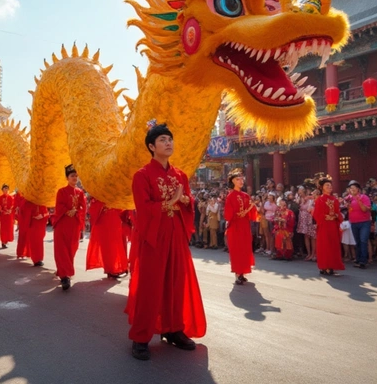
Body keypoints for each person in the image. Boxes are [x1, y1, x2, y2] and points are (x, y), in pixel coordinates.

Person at [127, 123, 206, 361]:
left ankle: (174, 329)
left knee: (176, 283)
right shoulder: (142, 176)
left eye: (170, 139)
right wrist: (169, 202)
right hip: (154, 236)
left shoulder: (180, 174)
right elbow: (143, 208)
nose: (168, 143)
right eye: (162, 140)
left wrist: (183, 201)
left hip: (176, 235)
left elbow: (188, 202)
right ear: (151, 146)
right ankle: (140, 337)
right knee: (150, 285)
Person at [52, 164, 87, 291]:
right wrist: (67, 211)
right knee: (62, 250)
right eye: (72, 176)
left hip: (74, 225)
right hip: (62, 224)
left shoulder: (80, 192)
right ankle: (64, 277)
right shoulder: (61, 191)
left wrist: (77, 212)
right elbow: (58, 206)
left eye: (76, 176)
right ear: (67, 178)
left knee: (72, 249)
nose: (75, 178)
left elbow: (83, 207)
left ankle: (65, 271)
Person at [224, 169, 256, 285]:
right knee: (236, 250)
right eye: (238, 179)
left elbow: (251, 212)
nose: (241, 181)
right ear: (233, 181)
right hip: (235, 227)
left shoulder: (246, 195)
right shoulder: (230, 196)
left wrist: (252, 208)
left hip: (244, 226)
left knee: (245, 249)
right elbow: (228, 214)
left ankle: (242, 272)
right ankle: (237, 274)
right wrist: (236, 215)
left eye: (242, 179)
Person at [86, 198, 129, 278]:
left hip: (115, 220)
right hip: (104, 222)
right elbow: (93, 207)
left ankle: (116, 268)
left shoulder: (116, 193)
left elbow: (121, 208)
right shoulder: (98, 194)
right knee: (106, 246)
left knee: (115, 245)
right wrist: (103, 205)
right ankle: (110, 269)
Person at [312, 176, 344, 276]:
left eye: (330, 185)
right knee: (324, 246)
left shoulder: (334, 199)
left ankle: (330, 266)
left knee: (333, 246)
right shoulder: (319, 200)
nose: (329, 187)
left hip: (333, 226)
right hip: (324, 226)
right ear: (322, 187)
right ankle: (324, 266)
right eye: (327, 185)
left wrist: (335, 216)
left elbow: (338, 212)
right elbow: (317, 214)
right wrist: (326, 217)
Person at [345, 180, 372, 269]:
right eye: (350, 188)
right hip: (354, 222)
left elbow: (365, 209)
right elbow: (345, 204)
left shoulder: (364, 197)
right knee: (357, 242)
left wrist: (359, 201)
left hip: (364, 222)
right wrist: (346, 203)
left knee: (363, 240)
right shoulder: (349, 198)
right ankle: (358, 258)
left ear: (358, 189)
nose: (351, 190)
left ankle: (363, 261)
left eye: (353, 188)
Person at [18, 200, 48, 267]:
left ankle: (39, 258)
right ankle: (36, 260)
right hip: (32, 225)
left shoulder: (42, 203)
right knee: (34, 242)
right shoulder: (27, 203)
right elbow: (23, 214)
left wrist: (42, 215)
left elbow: (46, 213)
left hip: (40, 225)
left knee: (39, 242)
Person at [297, 186, 317, 262]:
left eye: (300, 190)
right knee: (306, 236)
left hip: (310, 218)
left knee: (312, 236)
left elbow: (311, 208)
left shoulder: (311, 199)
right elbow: (297, 206)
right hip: (303, 219)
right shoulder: (300, 199)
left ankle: (313, 254)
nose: (299, 191)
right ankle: (309, 253)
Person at [0, 184, 14, 249]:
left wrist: (10, 210)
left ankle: (6, 240)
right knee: (3, 229)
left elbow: (13, 206)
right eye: (4, 189)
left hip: (9, 216)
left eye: (7, 188)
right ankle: (3, 242)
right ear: (2, 190)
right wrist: (2, 211)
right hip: (3, 216)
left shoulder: (11, 197)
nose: (6, 190)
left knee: (9, 228)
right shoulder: (0, 198)